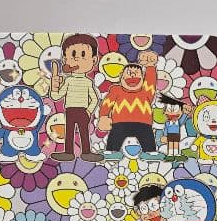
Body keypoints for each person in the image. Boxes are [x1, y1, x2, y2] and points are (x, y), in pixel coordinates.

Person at [98, 51, 162, 160]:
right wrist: (103, 116)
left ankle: (150, 152)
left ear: (143, 78)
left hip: (143, 123)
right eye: (129, 73)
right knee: (114, 138)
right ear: (121, 77)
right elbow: (107, 103)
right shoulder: (116, 90)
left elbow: (151, 81)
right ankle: (111, 151)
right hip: (119, 123)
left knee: (148, 139)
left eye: (136, 73)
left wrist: (150, 66)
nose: (132, 75)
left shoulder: (146, 92)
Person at [48, 33, 101, 162]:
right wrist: (53, 87)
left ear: (94, 60)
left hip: (83, 111)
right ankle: (68, 152)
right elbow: (57, 96)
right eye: (72, 55)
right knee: (69, 132)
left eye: (83, 55)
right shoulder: (68, 80)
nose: (77, 58)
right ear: (65, 60)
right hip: (70, 110)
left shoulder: (88, 82)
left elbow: (94, 99)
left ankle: (86, 152)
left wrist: (88, 111)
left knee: (84, 132)